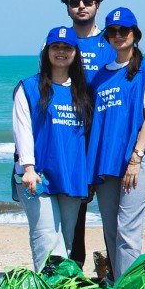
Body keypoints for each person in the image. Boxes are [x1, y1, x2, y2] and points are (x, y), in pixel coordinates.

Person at [88, 8, 145, 281]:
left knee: (128, 232)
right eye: (113, 32)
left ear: (135, 34)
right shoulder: (100, 76)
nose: (118, 36)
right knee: (111, 230)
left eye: (124, 31)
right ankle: (119, 285)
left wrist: (136, 158)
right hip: (106, 163)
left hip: (133, 162)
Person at [13, 27, 92, 271]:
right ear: (46, 51)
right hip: (37, 177)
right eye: (55, 47)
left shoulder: (83, 92)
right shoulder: (28, 87)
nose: (61, 52)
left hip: (72, 177)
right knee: (47, 240)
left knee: (66, 243)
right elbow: (22, 128)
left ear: (75, 52)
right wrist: (28, 167)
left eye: (67, 47)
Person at [59, 0, 113, 266]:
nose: (81, 7)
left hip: (103, 135)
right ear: (67, 8)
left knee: (110, 208)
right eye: (75, 2)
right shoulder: (58, 42)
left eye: (87, 2)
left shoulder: (110, 41)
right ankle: (73, 268)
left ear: (98, 5)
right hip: (70, 134)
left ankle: (114, 268)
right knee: (74, 205)